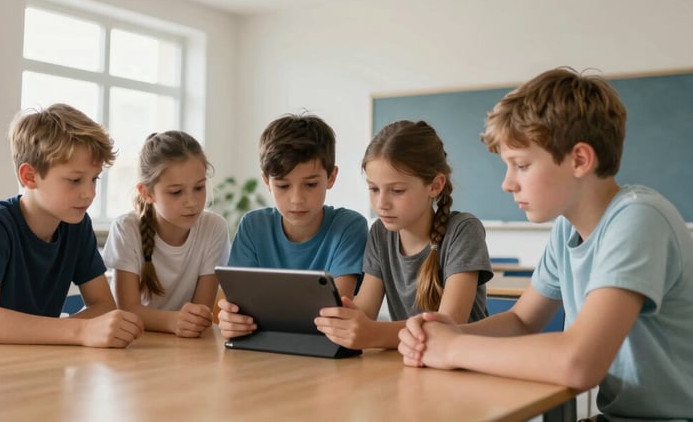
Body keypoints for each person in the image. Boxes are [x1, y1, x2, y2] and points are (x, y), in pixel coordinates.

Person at [398, 68, 693, 421]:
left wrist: (453, 349)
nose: (508, 183)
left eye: (520, 165)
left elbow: (579, 363)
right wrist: (443, 334)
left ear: (580, 160)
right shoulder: (566, 229)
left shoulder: (639, 218)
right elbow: (523, 321)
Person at [0, 104, 143, 346]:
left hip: (29, 359)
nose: (89, 193)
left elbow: (104, 305)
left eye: (94, 179)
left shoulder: (77, 225)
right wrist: (79, 331)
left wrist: (78, 330)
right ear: (29, 176)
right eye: (75, 180)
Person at [314, 120, 493, 350]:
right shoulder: (380, 233)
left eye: (397, 191)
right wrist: (335, 319)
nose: (381, 204)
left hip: (465, 366)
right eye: (374, 189)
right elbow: (365, 311)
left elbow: (448, 326)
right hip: (412, 362)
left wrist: (373, 333)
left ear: (435, 185)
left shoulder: (463, 230)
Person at [217, 113, 369, 339]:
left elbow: (335, 313)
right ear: (267, 181)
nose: (297, 199)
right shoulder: (253, 225)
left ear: (331, 177)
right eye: (283, 185)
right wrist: (230, 320)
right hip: (260, 352)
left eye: (310, 184)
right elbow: (234, 304)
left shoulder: (349, 226)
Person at [102, 131, 230, 337]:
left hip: (182, 343)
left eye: (199, 187)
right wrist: (173, 321)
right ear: (147, 193)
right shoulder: (126, 229)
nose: (192, 202)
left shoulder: (214, 227)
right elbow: (126, 309)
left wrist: (185, 322)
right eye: (176, 192)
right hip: (133, 342)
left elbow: (200, 313)